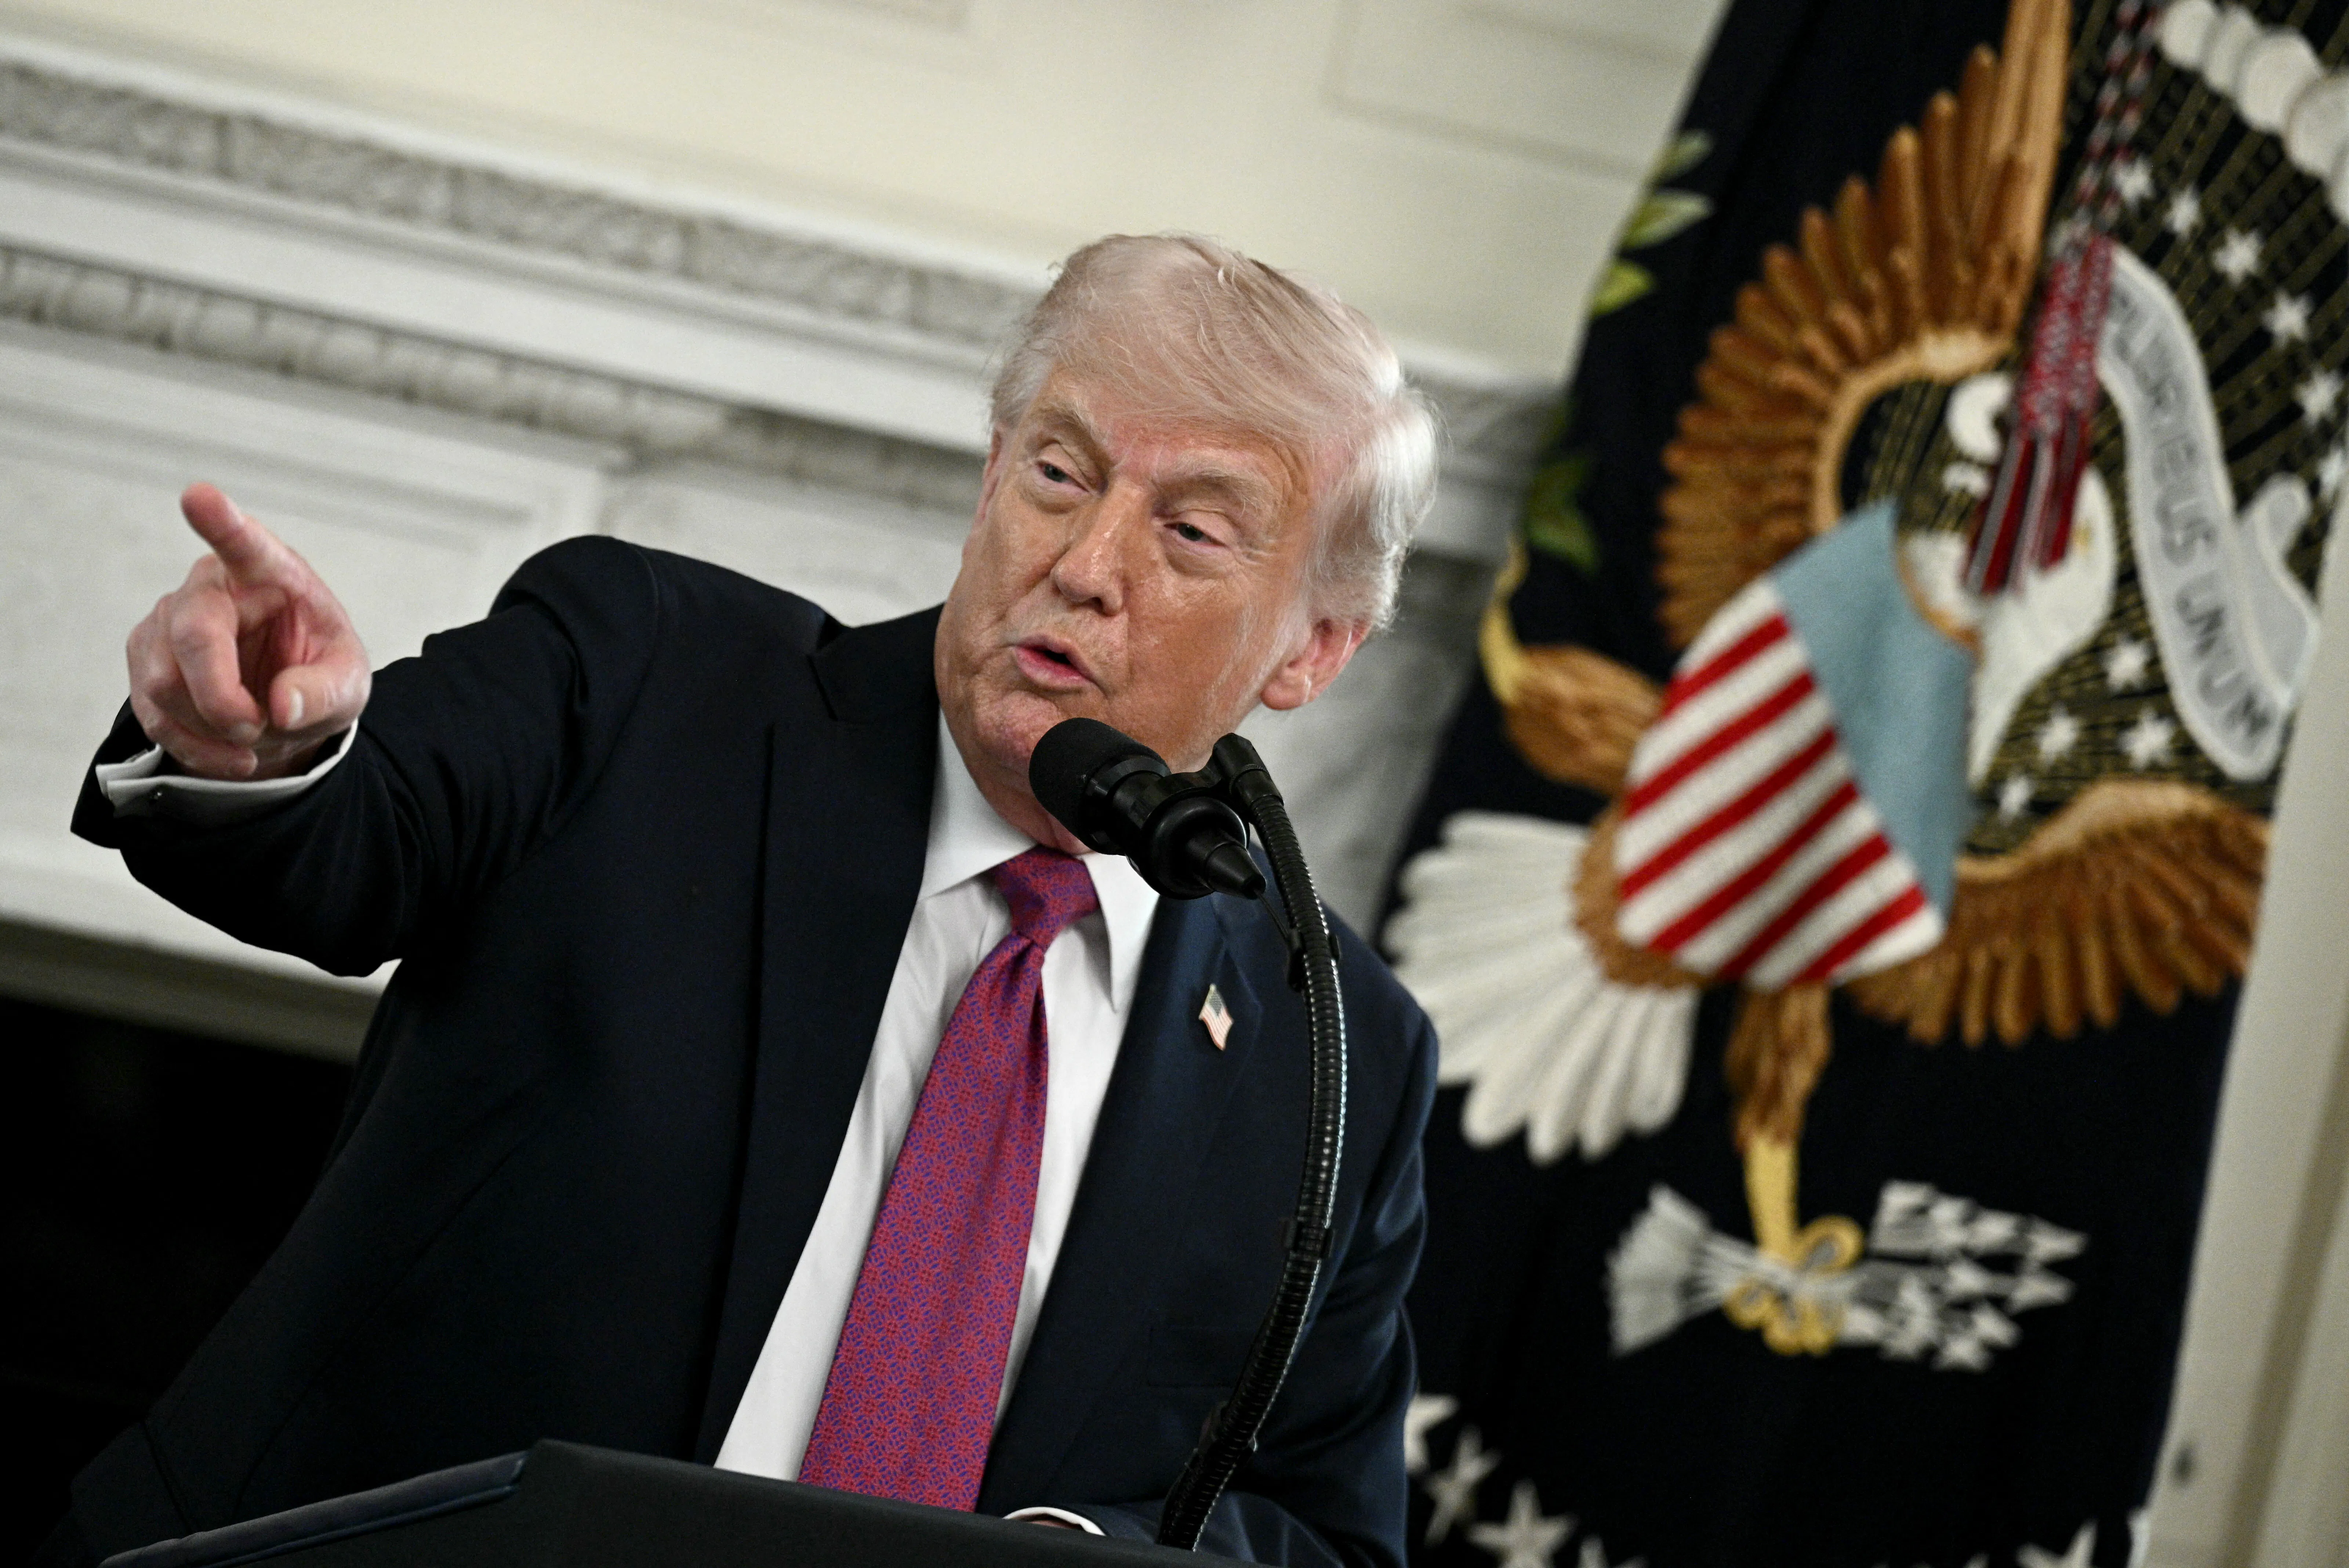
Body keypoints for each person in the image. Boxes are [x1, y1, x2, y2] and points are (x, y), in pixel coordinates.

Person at [43, 235, 1442, 1567]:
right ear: (991, 478)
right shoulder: (656, 678)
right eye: (1061, 474)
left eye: (1192, 531)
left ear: (1314, 646)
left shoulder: (1338, 1058)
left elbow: (1319, 1531)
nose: (1084, 564)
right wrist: (266, 747)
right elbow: (350, 839)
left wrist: (1081, 1560)